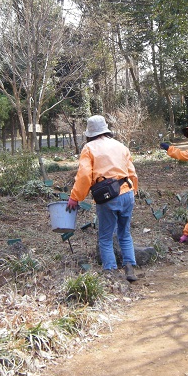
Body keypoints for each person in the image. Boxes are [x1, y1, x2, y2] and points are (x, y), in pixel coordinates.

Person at [65, 115, 139, 282]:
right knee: (124, 233)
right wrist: (133, 190)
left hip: (107, 197)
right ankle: (129, 268)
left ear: (90, 132)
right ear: (105, 129)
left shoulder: (89, 148)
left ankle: (110, 273)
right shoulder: (120, 146)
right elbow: (132, 172)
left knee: (105, 236)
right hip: (127, 192)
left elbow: (84, 176)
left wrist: (75, 197)